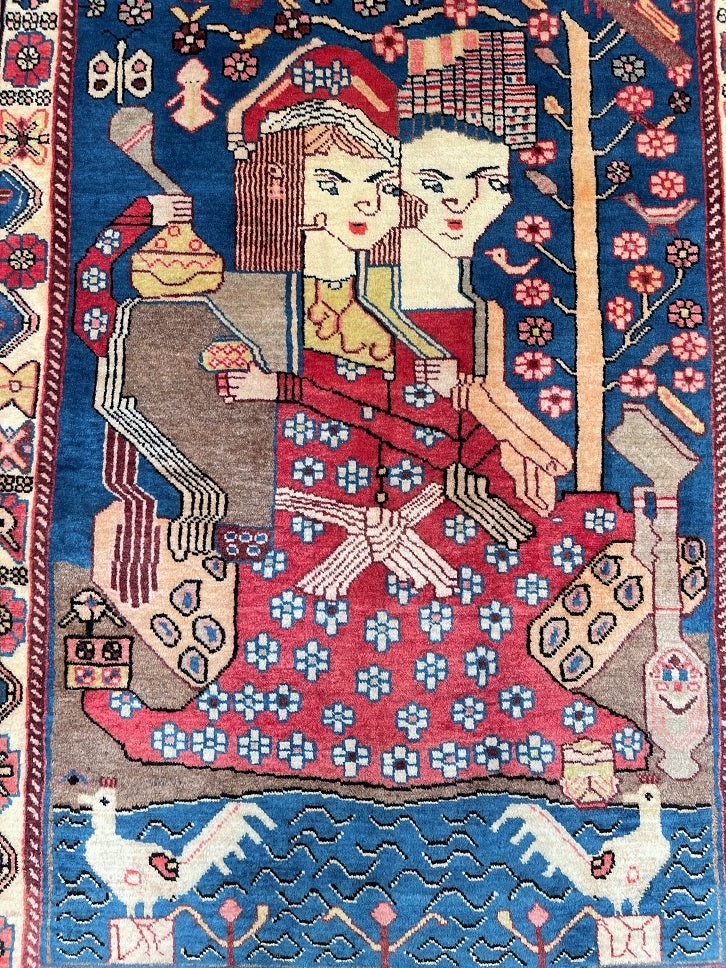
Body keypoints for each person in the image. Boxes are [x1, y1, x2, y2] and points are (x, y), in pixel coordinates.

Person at [79, 41, 649, 791]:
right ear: (284, 188)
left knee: (501, 595)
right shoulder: (248, 303)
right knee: (295, 640)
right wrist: (135, 225)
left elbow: (437, 424)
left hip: (423, 513)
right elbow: (119, 337)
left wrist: (487, 445)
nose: (362, 203)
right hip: (302, 524)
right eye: (334, 182)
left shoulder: (397, 308)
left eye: (377, 185)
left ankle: (493, 719)